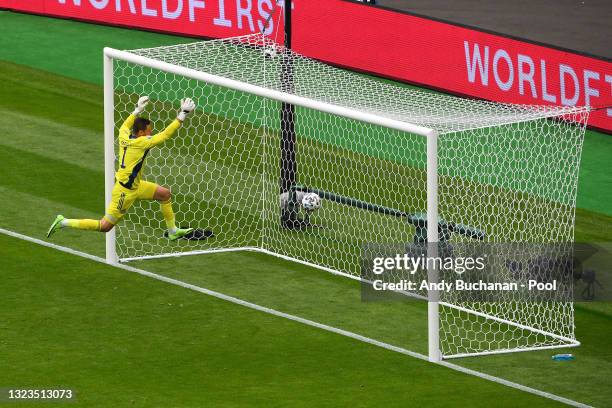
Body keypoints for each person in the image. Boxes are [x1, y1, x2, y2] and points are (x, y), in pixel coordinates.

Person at [47, 95, 195, 241]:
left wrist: (136, 110)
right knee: (105, 226)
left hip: (136, 186)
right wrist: (182, 114)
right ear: (141, 133)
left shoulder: (124, 137)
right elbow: (165, 135)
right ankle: (63, 222)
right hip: (124, 192)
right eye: (149, 131)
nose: (151, 134)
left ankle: (172, 231)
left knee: (164, 194)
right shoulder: (142, 142)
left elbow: (124, 126)